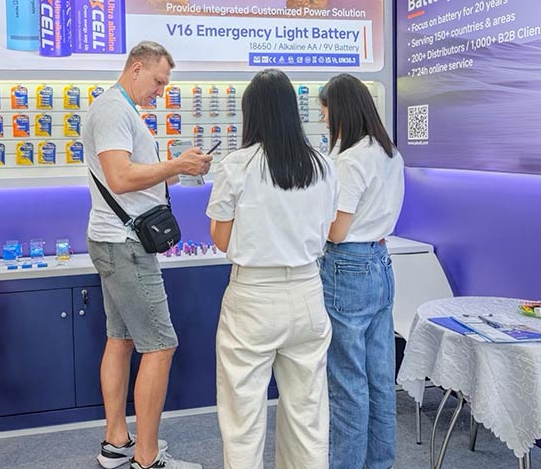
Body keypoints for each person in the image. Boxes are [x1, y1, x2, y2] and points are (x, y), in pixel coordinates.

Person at [82, 41, 212, 469]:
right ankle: (147, 457)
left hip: (116, 242)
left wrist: (179, 169)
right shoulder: (113, 111)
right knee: (160, 346)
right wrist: (176, 165)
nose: (161, 91)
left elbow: (129, 177)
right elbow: (120, 178)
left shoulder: (121, 110)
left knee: (120, 340)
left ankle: (117, 442)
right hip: (126, 246)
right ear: (136, 68)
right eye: (158, 81)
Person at [206, 68, 339, 469]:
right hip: (308, 292)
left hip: (252, 297)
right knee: (308, 415)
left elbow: (221, 239)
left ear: (252, 112)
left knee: (243, 418)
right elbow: (329, 228)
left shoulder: (236, 165)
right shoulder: (323, 166)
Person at [318, 73, 405, 469]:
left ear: (341, 110)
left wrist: (312, 219)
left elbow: (337, 230)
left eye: (325, 111)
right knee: (380, 379)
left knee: (347, 382)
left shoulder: (349, 160)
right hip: (380, 262)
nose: (323, 119)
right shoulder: (390, 154)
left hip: (347, 267)